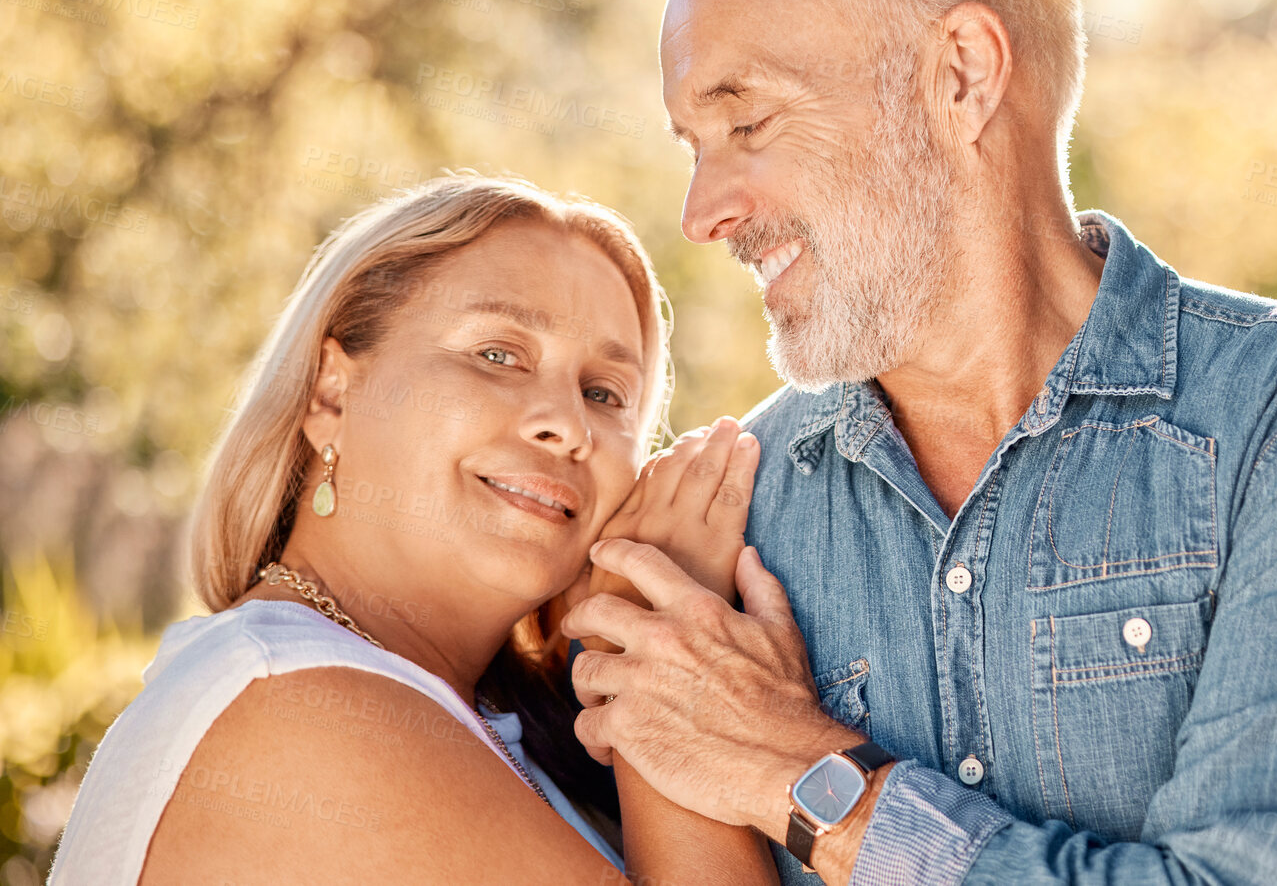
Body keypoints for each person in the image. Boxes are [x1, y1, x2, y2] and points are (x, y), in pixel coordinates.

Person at [561, 0, 1277, 885]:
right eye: (694, 147)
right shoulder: (724, 524)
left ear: (961, 75)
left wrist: (803, 772)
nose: (704, 214)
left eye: (748, 121)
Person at [49, 173, 779, 886]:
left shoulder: (471, 714)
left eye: (604, 392)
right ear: (331, 391)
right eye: (497, 354)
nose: (566, 422)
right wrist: (656, 643)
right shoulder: (294, 702)